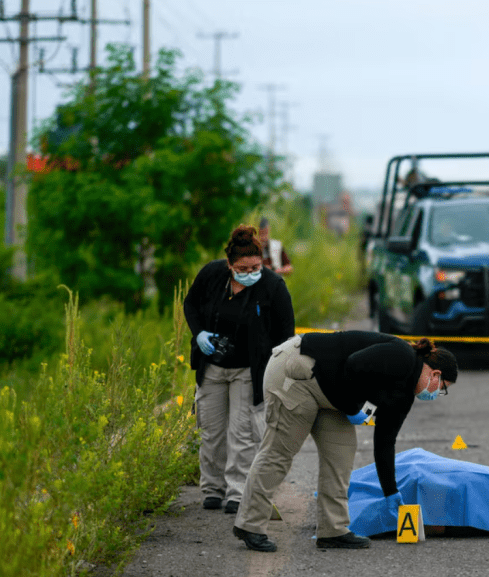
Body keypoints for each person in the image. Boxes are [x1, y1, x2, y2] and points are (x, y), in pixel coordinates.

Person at [233, 332, 458, 552]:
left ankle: (332, 531)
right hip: (297, 371)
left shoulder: (404, 396)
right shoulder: (403, 356)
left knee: (341, 452)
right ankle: (249, 525)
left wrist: (391, 492)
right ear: (435, 374)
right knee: (279, 452)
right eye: (443, 387)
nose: (438, 393)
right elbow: (354, 364)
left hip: (332, 391)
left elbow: (385, 442)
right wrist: (354, 409)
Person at [183, 225, 295, 515]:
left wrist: (278, 373)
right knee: (211, 432)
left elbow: (286, 333)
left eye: (256, 267)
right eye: (242, 268)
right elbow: (191, 304)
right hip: (213, 367)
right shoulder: (212, 275)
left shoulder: (272, 286)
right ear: (230, 265)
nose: (250, 273)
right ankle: (211, 488)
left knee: (243, 434)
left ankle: (237, 492)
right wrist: (199, 334)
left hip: (249, 370)